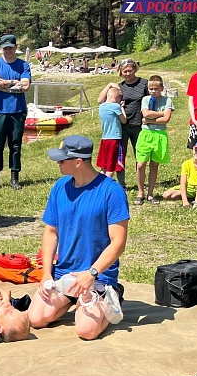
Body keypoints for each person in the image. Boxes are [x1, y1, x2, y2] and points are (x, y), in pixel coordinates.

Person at [28, 135, 129, 340]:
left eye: (62, 160)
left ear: (78, 162)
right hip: (65, 274)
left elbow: (118, 242)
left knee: (86, 331)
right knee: (36, 318)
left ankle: (113, 294)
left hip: (98, 276)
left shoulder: (112, 191)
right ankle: (73, 299)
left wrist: (91, 273)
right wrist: (46, 274)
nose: (57, 163)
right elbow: (51, 232)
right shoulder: (59, 187)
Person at [0, 34, 31, 190]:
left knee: (16, 145)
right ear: (1, 49)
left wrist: (5, 83)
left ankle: (14, 178)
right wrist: (15, 82)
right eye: (5, 48)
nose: (8, 51)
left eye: (11, 48)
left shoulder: (23, 65)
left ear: (15, 48)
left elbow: (25, 86)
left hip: (18, 111)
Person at [98, 58, 148, 188]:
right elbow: (101, 100)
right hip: (122, 126)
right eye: (124, 71)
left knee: (140, 154)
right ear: (121, 72)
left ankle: (140, 182)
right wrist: (109, 84)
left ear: (135, 69)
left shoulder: (144, 84)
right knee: (120, 155)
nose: (127, 73)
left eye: (130, 70)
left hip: (139, 123)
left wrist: (148, 117)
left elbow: (150, 100)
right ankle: (122, 183)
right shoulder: (119, 87)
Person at [134, 75, 174, 205]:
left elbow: (166, 119)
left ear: (161, 88)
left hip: (159, 135)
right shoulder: (145, 99)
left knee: (154, 165)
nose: (153, 91)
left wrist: (150, 120)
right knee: (140, 164)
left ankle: (150, 194)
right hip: (146, 134)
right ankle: (140, 193)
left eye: (156, 89)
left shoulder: (167, 101)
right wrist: (161, 114)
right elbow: (145, 114)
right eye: (151, 89)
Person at [163, 140, 197, 207]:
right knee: (166, 195)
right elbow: (183, 183)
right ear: (193, 150)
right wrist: (185, 201)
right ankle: (188, 198)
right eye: (196, 150)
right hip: (189, 188)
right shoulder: (186, 164)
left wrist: (196, 202)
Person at [96, 86, 127, 177]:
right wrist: (122, 108)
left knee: (104, 166)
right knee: (111, 166)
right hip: (114, 138)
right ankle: (106, 185)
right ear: (116, 97)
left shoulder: (101, 106)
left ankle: (99, 183)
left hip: (104, 138)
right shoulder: (116, 106)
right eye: (119, 99)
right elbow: (124, 120)